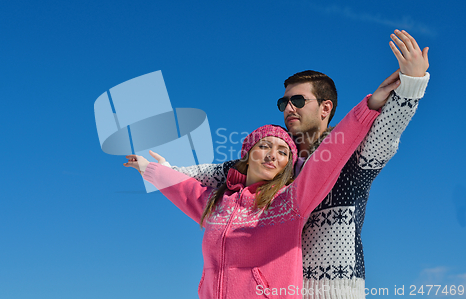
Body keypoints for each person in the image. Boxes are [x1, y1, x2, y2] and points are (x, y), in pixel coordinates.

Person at [166, 29, 430, 298]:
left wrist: (413, 82)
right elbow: (216, 172)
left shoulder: (353, 156)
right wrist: (164, 170)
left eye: (298, 100)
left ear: (325, 108)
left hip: (336, 291)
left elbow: (388, 130)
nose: (288, 108)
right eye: (284, 102)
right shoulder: (277, 163)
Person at [124, 95, 380, 297]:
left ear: (287, 166)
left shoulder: (290, 202)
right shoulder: (217, 204)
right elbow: (183, 189)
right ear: (248, 153)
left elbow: (331, 156)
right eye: (265, 146)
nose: (272, 155)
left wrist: (368, 107)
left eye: (282, 152)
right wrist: (150, 169)